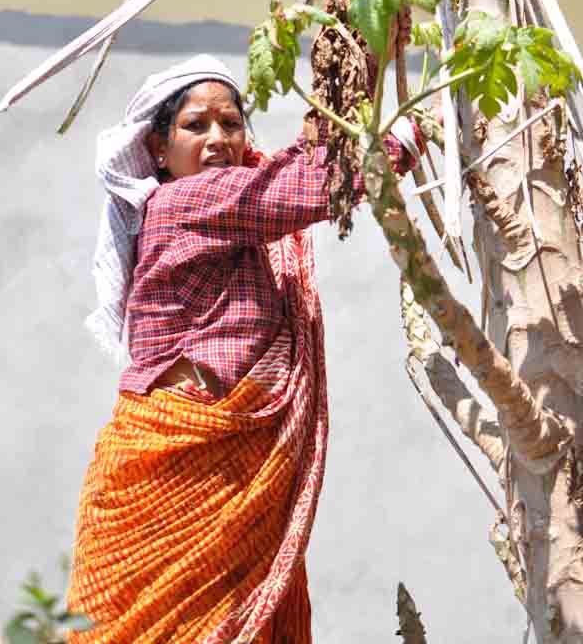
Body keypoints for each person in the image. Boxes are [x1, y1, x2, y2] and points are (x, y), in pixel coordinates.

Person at [67, 54, 423, 644]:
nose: (217, 139)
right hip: (178, 463)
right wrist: (410, 134)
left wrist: (371, 58)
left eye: (231, 124)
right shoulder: (185, 202)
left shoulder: (228, 209)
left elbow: (289, 172)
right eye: (196, 125)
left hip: (237, 473)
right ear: (158, 149)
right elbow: (306, 185)